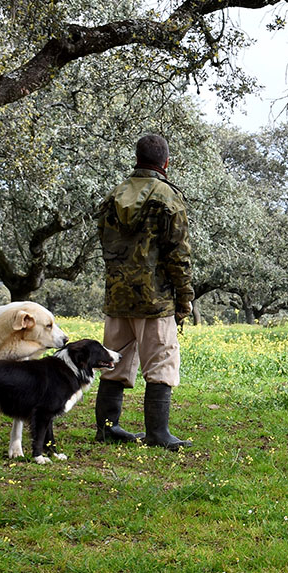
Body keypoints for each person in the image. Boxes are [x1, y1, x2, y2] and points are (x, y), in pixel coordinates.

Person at [94, 134, 194, 450]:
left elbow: (105, 244)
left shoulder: (113, 196)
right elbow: (177, 255)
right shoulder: (168, 198)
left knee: (114, 361)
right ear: (165, 162)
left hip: (118, 296)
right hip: (155, 299)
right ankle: (157, 434)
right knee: (161, 362)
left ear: (136, 159)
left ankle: (108, 429)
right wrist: (185, 296)